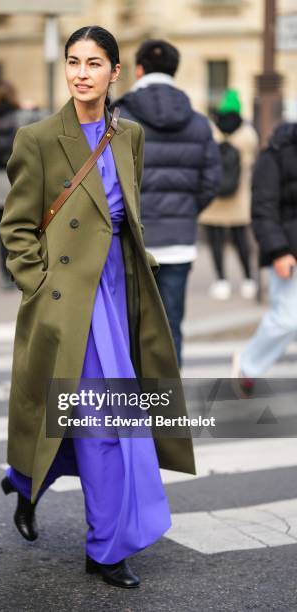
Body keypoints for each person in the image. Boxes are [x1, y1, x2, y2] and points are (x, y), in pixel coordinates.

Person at [0, 26, 195, 588]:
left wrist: (141, 270)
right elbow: (15, 228)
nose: (81, 72)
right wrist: (39, 287)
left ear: (116, 74)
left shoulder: (128, 134)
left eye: (94, 63)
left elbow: (126, 214)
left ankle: (24, 477)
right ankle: (106, 549)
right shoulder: (36, 138)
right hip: (67, 300)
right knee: (106, 424)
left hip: (119, 292)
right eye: (73, 61)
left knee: (98, 418)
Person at [110, 39, 221, 367]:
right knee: (171, 326)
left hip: (130, 240)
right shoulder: (199, 121)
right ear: (175, 70)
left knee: (128, 327)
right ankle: (167, 406)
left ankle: (131, 407)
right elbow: (211, 181)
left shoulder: (118, 116)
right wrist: (185, 212)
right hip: (178, 241)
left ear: (139, 69)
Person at [232, 122, 297, 384]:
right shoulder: (276, 153)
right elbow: (263, 207)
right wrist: (279, 251)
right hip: (289, 251)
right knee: (287, 320)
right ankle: (248, 366)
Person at [0, 83, 47, 289]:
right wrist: (33, 108)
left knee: (1, 232)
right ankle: (21, 271)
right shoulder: (22, 116)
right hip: (16, 180)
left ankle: (4, 274)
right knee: (23, 228)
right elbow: (47, 125)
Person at [199, 89, 259, 300]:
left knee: (215, 238)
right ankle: (249, 280)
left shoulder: (209, 129)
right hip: (239, 195)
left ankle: (221, 281)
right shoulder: (248, 134)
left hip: (213, 193)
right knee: (241, 238)